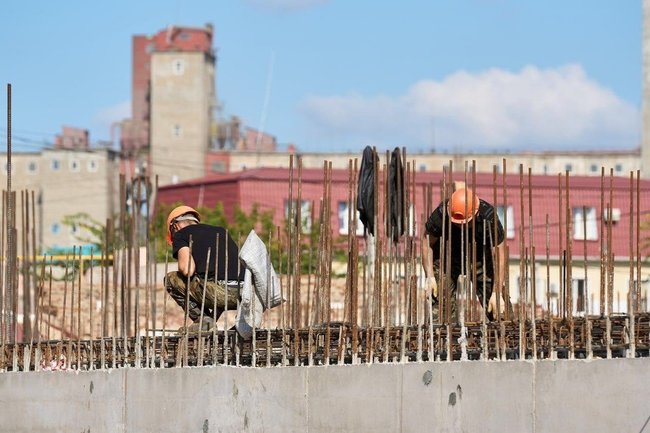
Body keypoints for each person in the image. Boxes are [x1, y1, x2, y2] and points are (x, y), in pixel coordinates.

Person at [422, 187, 511, 323]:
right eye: (457, 223)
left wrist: (496, 292)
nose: (461, 226)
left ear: (475, 214)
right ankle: (441, 338)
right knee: (440, 307)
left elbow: (500, 253)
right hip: (447, 256)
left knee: (499, 310)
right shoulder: (441, 214)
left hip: (480, 257)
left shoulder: (488, 216)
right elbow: (427, 241)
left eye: (466, 223)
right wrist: (430, 276)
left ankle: (506, 338)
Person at [164, 205, 245, 332]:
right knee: (210, 279)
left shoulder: (181, 234)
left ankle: (203, 319)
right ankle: (210, 321)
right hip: (243, 294)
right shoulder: (221, 231)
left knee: (170, 279)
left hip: (219, 293)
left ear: (175, 226)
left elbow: (187, 269)